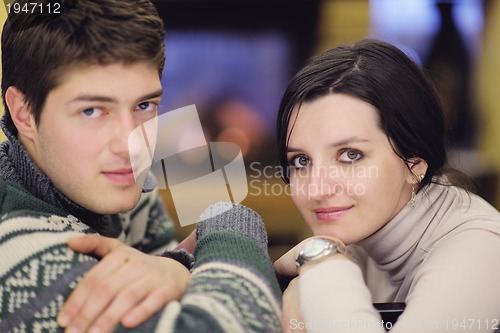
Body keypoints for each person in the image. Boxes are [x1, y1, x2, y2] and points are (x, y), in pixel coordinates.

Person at [0, 1, 281, 332]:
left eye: (144, 105)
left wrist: (174, 267)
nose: (131, 145)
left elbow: (186, 287)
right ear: (23, 113)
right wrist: (229, 220)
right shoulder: (20, 255)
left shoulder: (123, 188)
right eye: (92, 111)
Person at [273, 38, 500, 332]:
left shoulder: (483, 248)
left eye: (350, 155)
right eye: (301, 161)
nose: (316, 190)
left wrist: (321, 259)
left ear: (415, 162)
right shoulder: (367, 229)